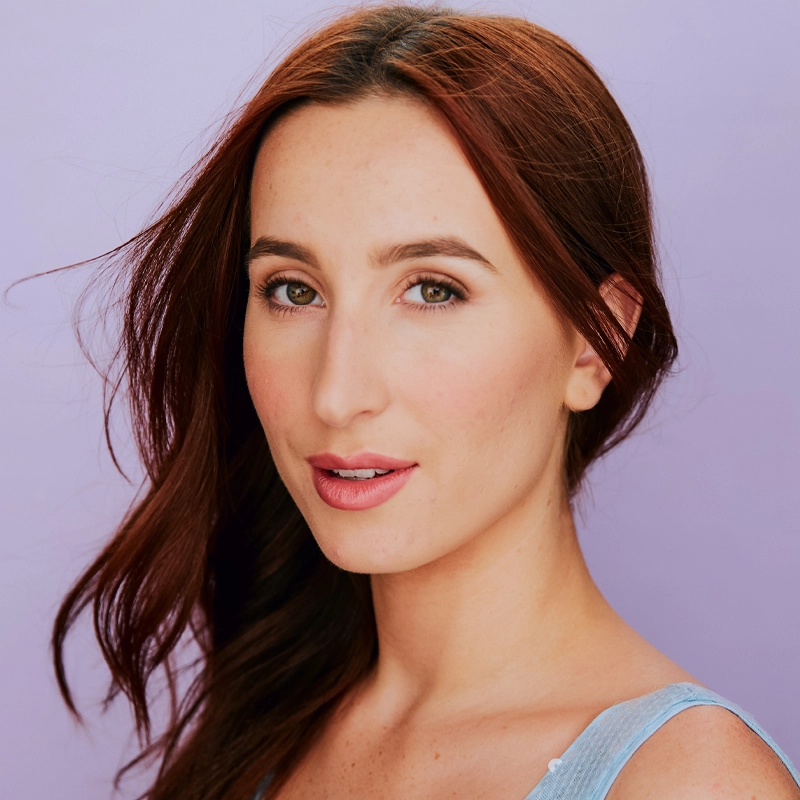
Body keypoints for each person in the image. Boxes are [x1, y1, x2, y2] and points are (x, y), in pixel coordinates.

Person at [52, 4, 800, 799]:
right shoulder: (265, 728)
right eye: (293, 290)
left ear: (595, 340)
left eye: (433, 290)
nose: (337, 393)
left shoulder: (690, 783)